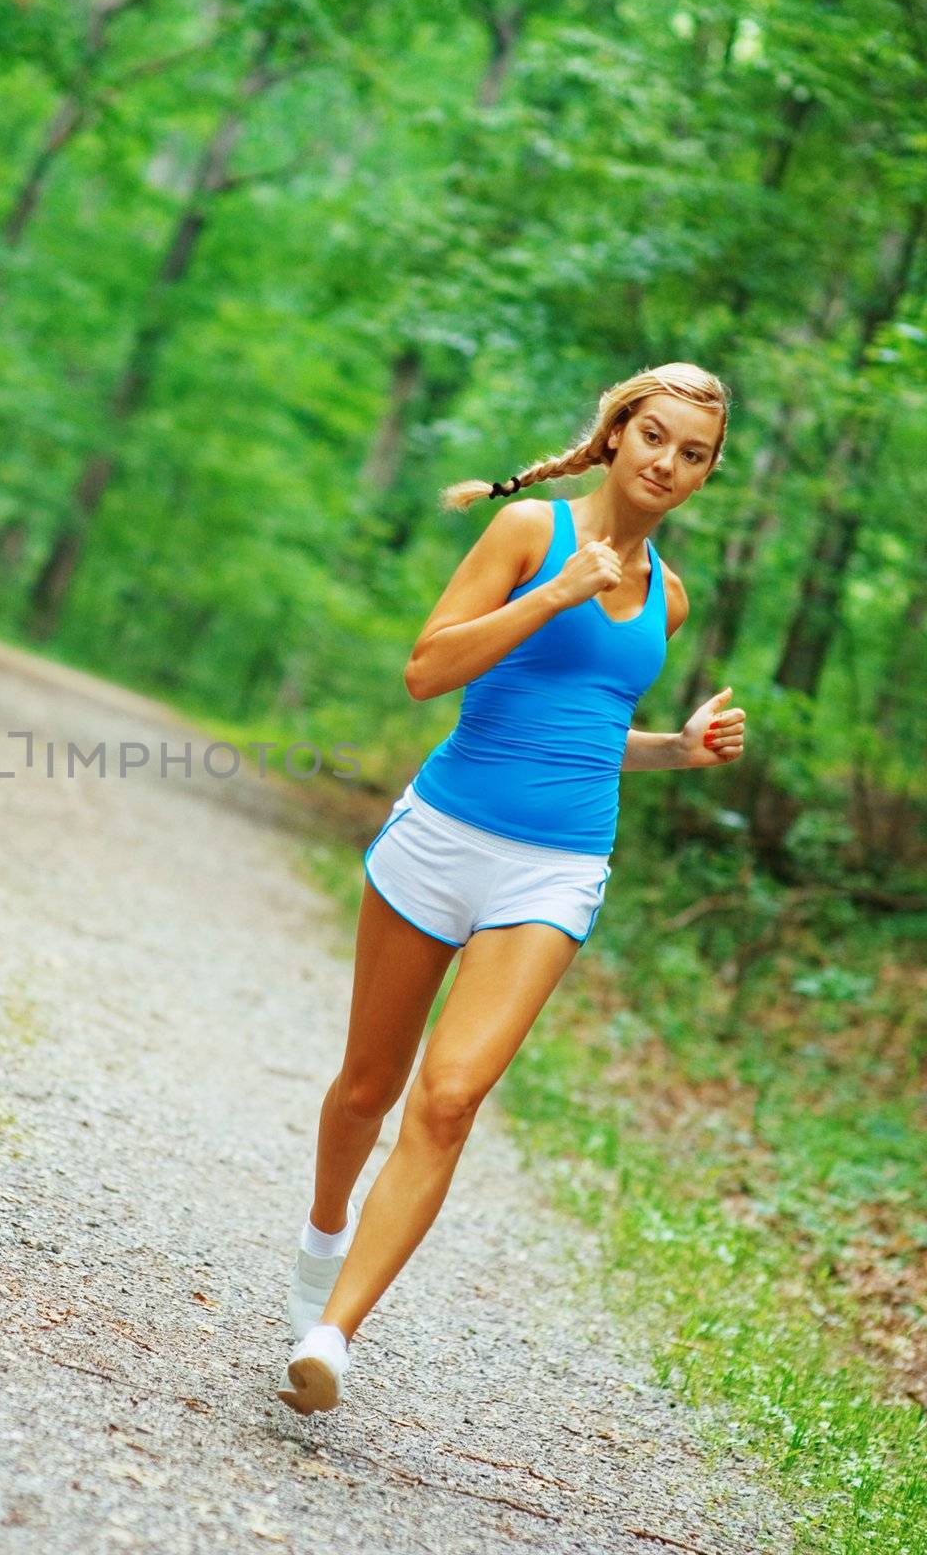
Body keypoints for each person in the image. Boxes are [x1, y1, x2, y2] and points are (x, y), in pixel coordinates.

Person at [278, 362, 749, 1416]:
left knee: (448, 1100)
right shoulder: (527, 533)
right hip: (441, 834)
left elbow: (580, 736)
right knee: (369, 1086)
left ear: (707, 473)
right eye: (656, 437)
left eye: (694, 453)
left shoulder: (668, 596)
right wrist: (555, 591)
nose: (668, 463)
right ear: (617, 433)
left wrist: (679, 747)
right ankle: (321, 1233)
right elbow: (427, 670)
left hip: (557, 864)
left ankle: (331, 1335)